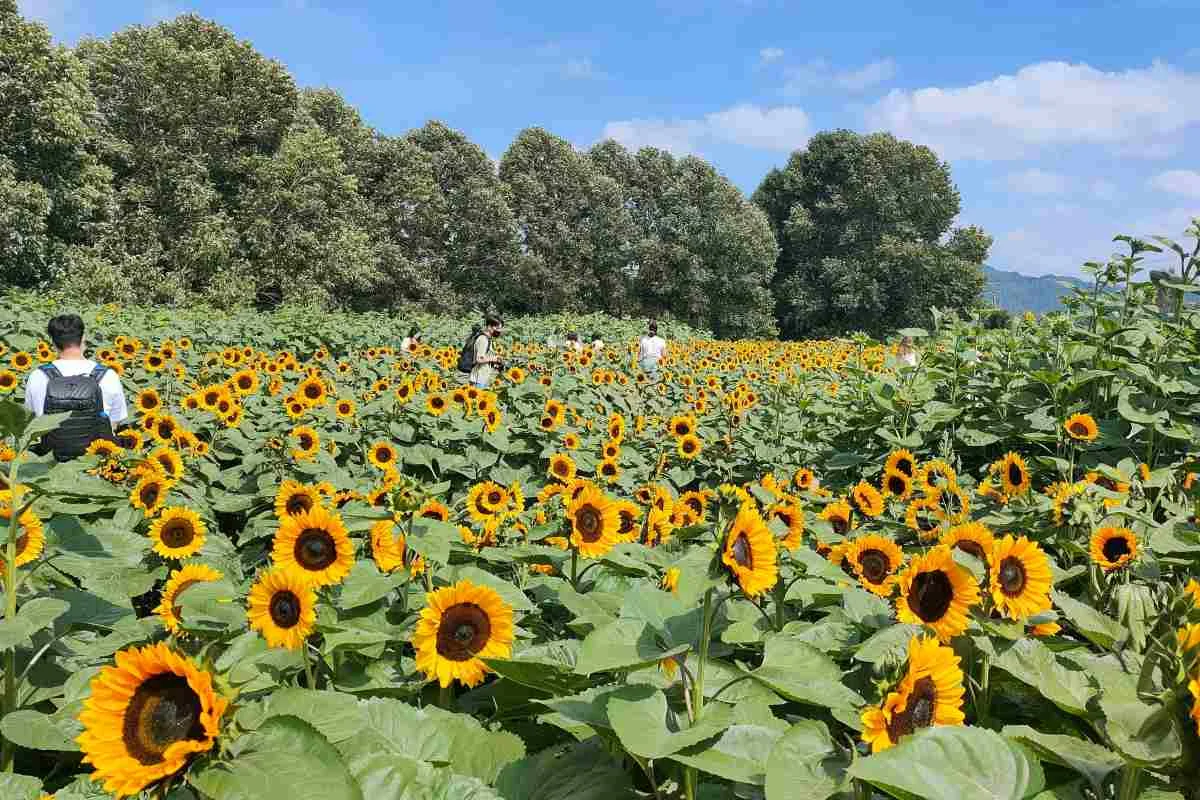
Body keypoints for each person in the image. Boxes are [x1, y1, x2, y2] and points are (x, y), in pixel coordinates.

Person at [23, 314, 127, 461]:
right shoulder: (108, 376)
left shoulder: (38, 376)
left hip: (49, 465)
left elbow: (31, 423)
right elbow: (114, 423)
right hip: (94, 464)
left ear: (52, 342)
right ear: (83, 338)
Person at [468, 315, 503, 388]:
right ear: (489, 326)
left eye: (500, 328)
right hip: (478, 379)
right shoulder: (483, 339)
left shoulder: (488, 339)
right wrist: (494, 359)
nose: (499, 331)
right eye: (497, 328)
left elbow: (484, 356)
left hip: (482, 377)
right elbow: (479, 359)